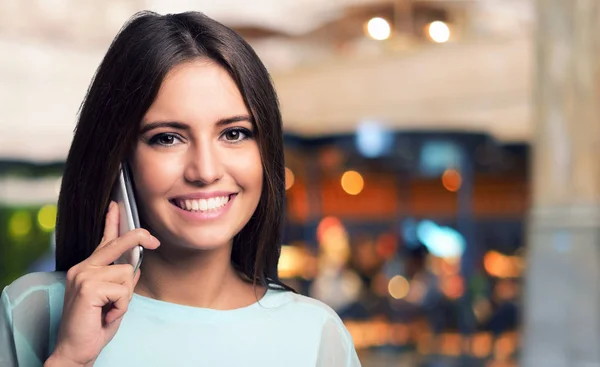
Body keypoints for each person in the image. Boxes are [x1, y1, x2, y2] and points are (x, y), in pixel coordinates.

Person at [0, 11, 361, 367]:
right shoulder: (32, 310)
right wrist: (70, 360)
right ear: (120, 160)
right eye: (168, 138)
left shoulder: (315, 335)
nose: (205, 171)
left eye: (234, 133)